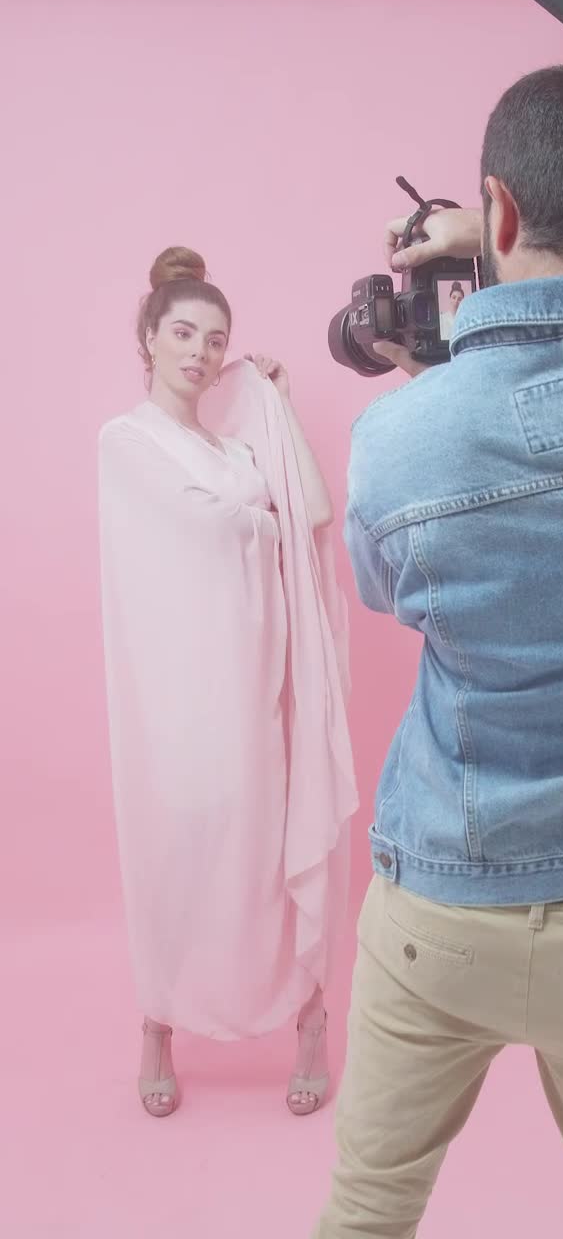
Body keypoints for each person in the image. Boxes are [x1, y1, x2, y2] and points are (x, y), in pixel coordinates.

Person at [313, 66, 563, 1236]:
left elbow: (388, 591)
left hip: (438, 911)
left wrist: (462, 336)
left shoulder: (398, 441)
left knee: (368, 1206)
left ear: (495, 209)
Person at [99, 247, 357, 1119]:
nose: (201, 354)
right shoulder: (127, 442)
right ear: (148, 336)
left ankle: (311, 1020)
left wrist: (280, 408)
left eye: (216, 340)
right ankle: (158, 1021)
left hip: (259, 688)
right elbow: (205, 528)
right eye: (183, 333)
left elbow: (312, 511)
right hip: (177, 697)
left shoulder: (239, 447)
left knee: (269, 857)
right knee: (175, 856)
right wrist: (259, 507)